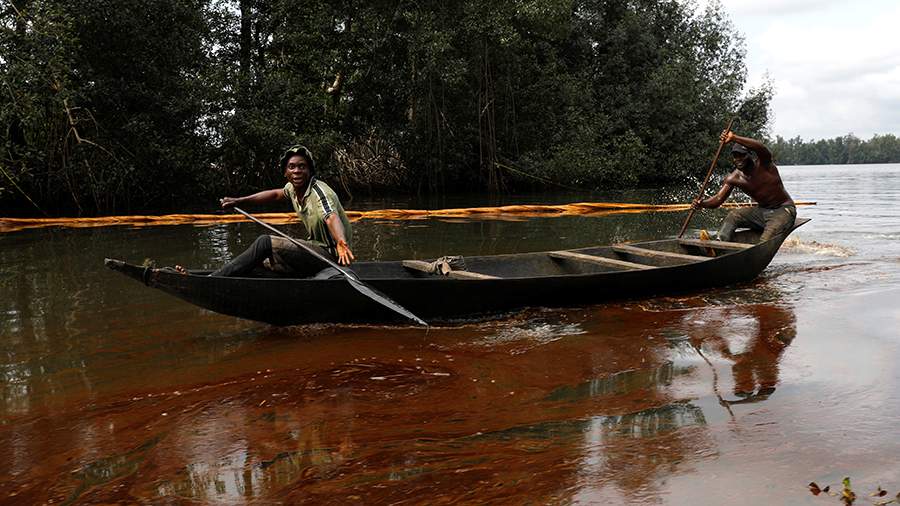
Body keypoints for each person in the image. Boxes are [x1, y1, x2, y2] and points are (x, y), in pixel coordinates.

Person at [187, 144, 354, 277]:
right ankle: (211, 277)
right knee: (258, 263)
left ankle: (214, 279)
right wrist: (239, 201)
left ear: (310, 171)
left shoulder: (319, 192)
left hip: (334, 259)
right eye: (292, 167)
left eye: (302, 167)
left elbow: (331, 217)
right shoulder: (292, 189)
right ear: (285, 172)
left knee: (265, 242)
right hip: (314, 252)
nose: (297, 171)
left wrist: (341, 241)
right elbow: (274, 195)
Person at [692, 129, 796, 242]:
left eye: (742, 156)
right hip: (762, 211)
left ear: (750, 156)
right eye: (735, 156)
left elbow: (760, 147)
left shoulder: (764, 164)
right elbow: (718, 199)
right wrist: (702, 203)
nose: (738, 160)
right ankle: (720, 242)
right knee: (734, 215)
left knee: (764, 242)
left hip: (783, 210)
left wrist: (734, 138)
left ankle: (759, 248)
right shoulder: (733, 178)